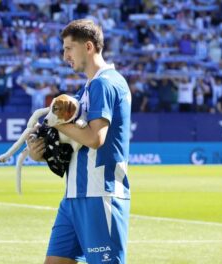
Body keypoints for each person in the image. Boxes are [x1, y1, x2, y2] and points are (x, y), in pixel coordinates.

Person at [28, 19, 131, 264]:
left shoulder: (105, 83)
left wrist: (57, 123)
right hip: (74, 195)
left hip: (100, 194)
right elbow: (68, 140)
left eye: (68, 48)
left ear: (88, 47)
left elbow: (95, 138)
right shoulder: (86, 89)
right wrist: (38, 151)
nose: (65, 56)